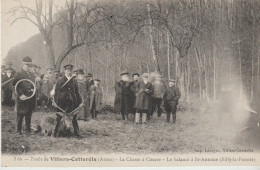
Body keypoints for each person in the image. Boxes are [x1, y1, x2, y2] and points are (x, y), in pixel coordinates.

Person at [53, 64, 82, 137]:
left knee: (74, 117)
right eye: (68, 70)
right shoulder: (60, 80)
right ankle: (55, 133)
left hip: (72, 101)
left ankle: (77, 132)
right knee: (59, 117)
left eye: (70, 70)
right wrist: (56, 103)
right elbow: (57, 92)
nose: (69, 72)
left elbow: (77, 92)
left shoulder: (74, 80)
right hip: (62, 101)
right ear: (65, 71)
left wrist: (80, 102)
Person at [12, 56, 36, 135]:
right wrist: (21, 94)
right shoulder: (18, 74)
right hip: (22, 98)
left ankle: (27, 130)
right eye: (27, 65)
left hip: (30, 97)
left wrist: (33, 89)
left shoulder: (32, 75)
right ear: (23, 65)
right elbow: (15, 86)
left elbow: (33, 85)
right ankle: (18, 131)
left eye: (30, 66)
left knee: (29, 114)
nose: (29, 67)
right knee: (20, 114)